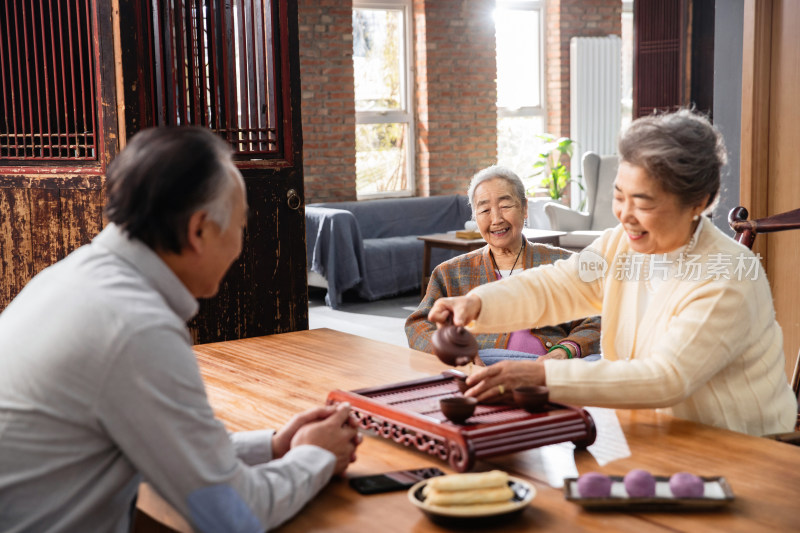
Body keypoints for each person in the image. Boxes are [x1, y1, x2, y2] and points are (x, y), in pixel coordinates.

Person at [0, 127, 360, 532]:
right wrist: (315, 456)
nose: (240, 246)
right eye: (240, 226)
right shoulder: (136, 329)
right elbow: (234, 517)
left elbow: (162, 444)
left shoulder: (65, 280)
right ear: (199, 230)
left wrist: (273, 446)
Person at [428, 110, 797, 437]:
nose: (624, 214)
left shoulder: (729, 274)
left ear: (697, 203)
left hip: (742, 447)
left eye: (643, 202)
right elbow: (560, 285)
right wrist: (477, 303)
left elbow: (664, 378)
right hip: (653, 433)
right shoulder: (622, 244)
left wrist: (542, 375)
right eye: (619, 196)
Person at [406, 165, 601, 363]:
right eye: (484, 210)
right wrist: (457, 353)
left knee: (594, 362)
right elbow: (417, 325)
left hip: (547, 366)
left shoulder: (563, 263)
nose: (496, 219)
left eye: (505, 206)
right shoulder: (450, 272)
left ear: (525, 208)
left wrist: (565, 351)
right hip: (484, 363)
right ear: (475, 217)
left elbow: (597, 319)